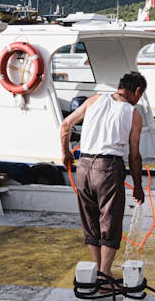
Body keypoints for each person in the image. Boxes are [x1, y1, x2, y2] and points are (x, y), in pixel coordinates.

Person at [60, 71, 146, 281]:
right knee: (110, 222)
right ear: (136, 91)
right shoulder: (133, 114)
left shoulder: (94, 100)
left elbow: (65, 125)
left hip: (84, 165)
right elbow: (134, 156)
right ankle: (104, 276)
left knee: (90, 220)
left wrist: (66, 153)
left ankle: (98, 270)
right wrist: (137, 185)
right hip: (108, 168)